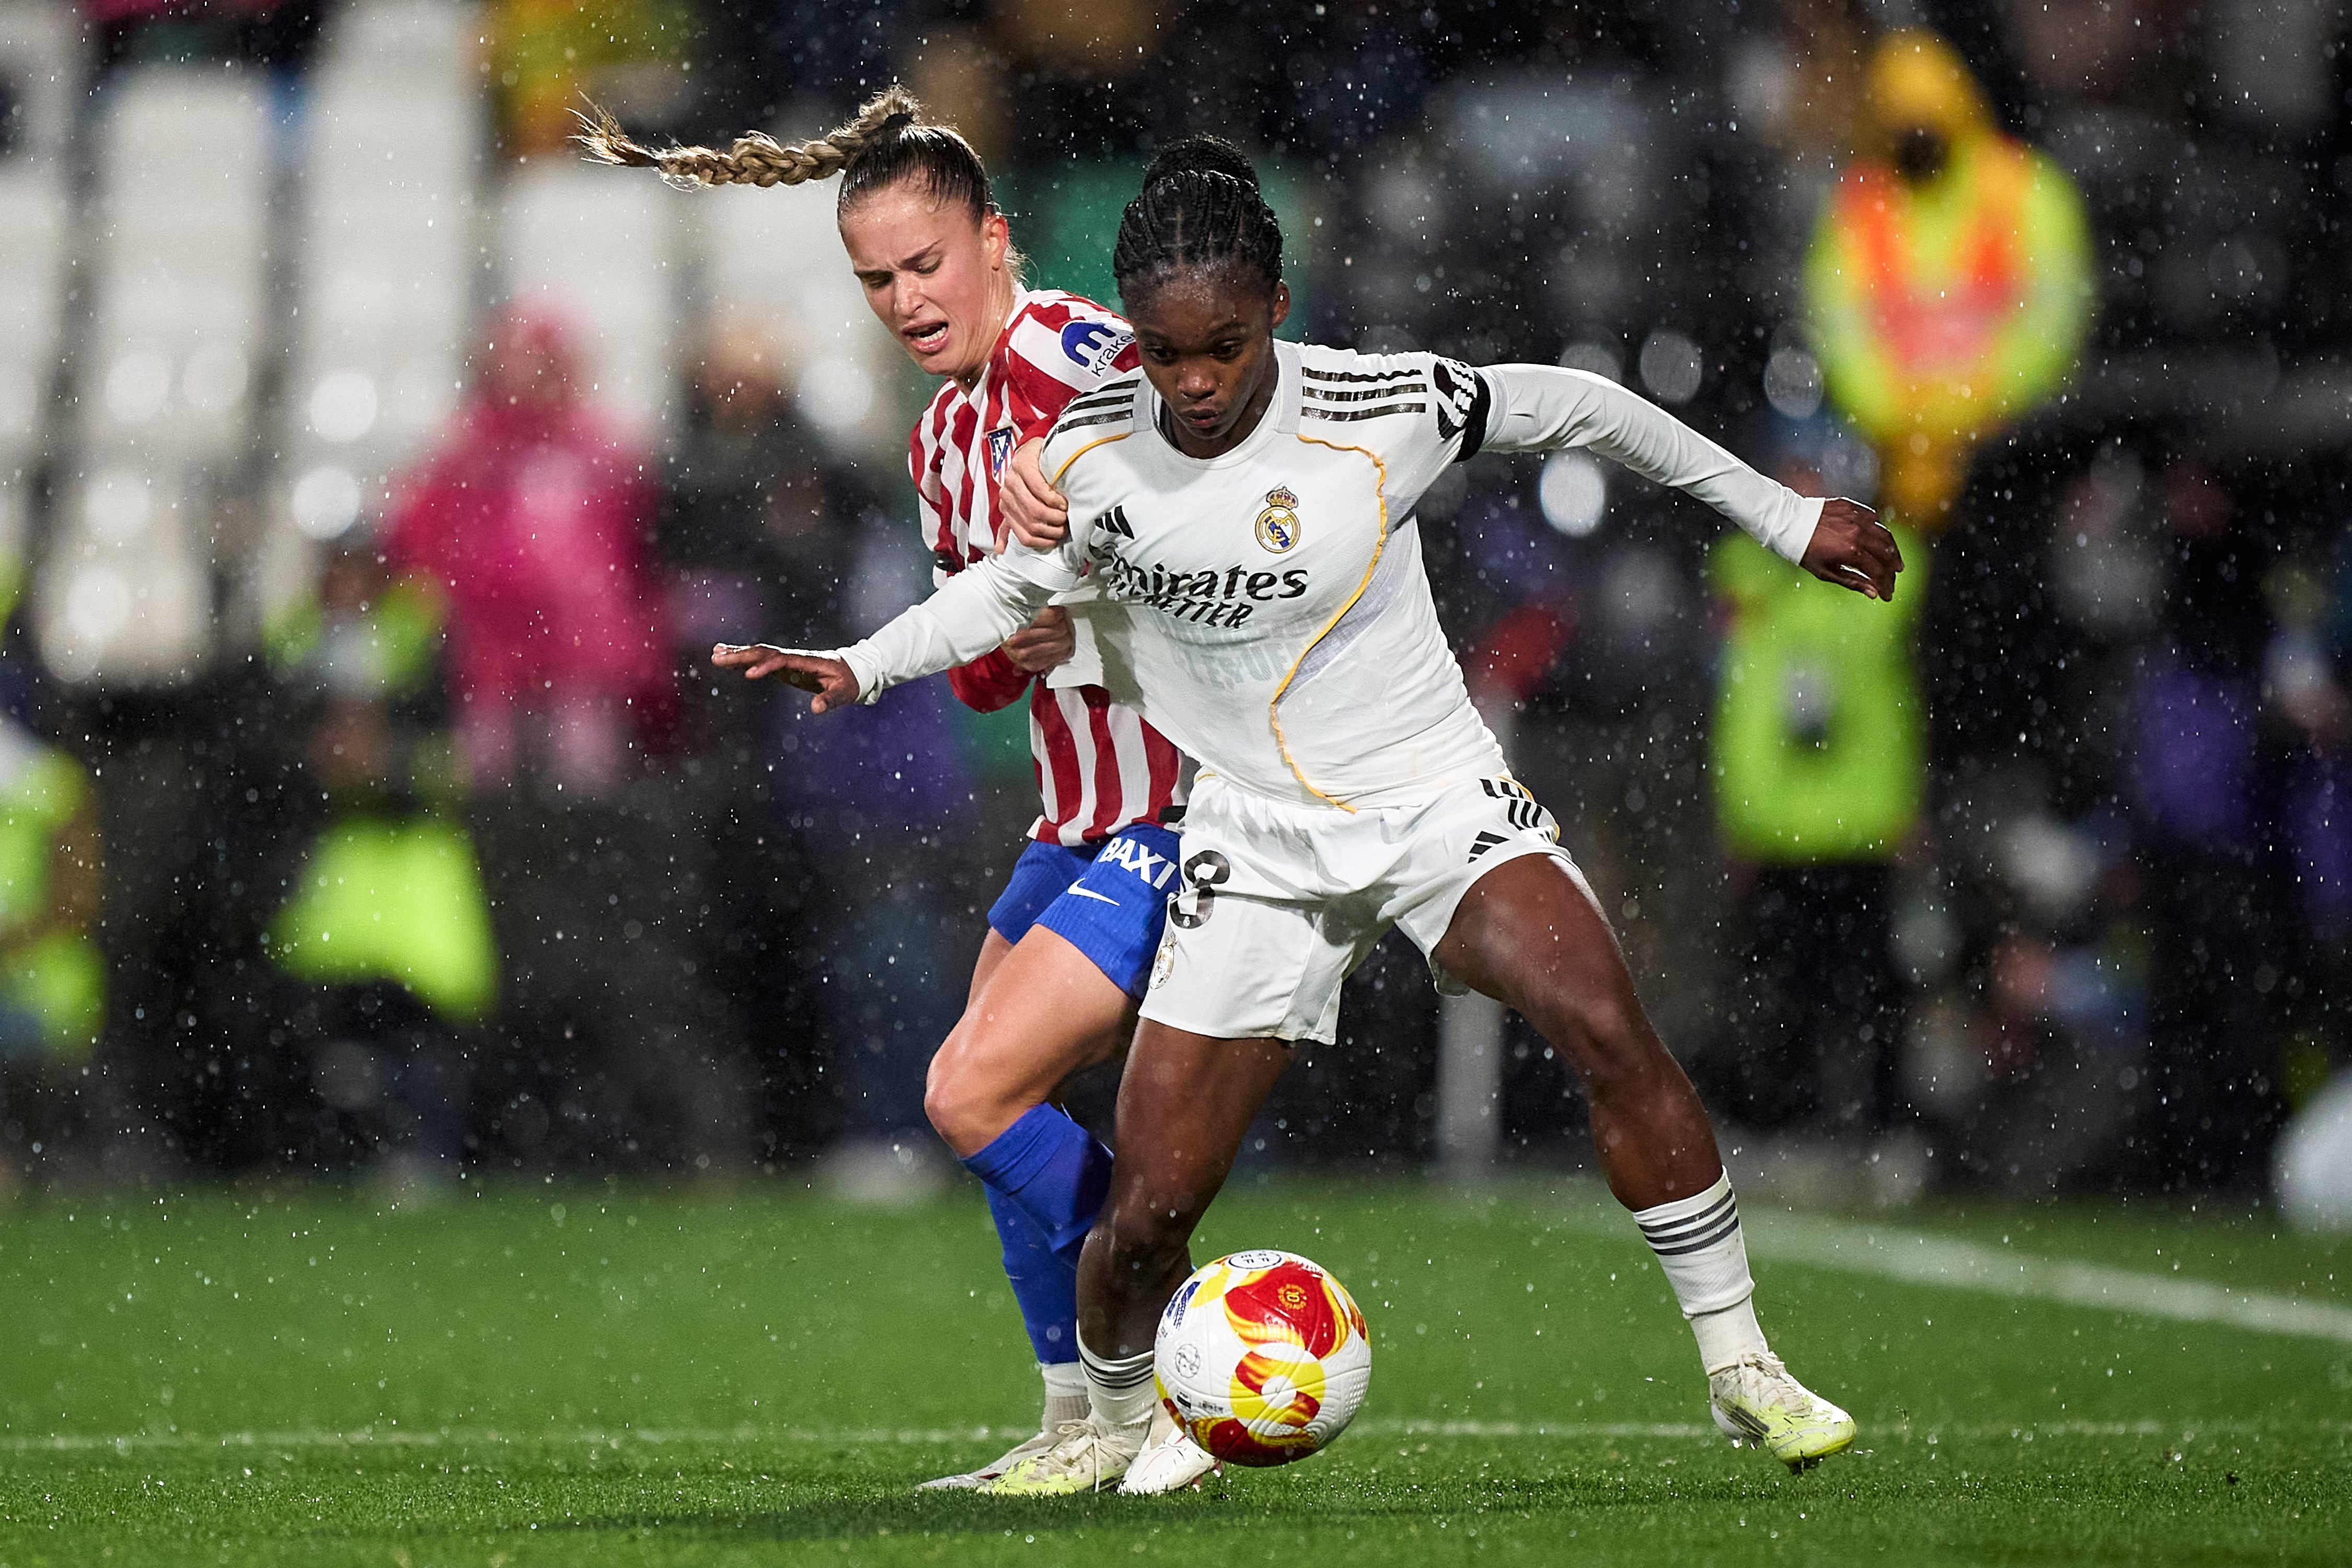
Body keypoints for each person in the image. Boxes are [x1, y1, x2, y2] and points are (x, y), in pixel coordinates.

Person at [722, 138, 1902, 1493]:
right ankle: (1108, 1417)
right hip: (1249, 839)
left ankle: (1742, 1363)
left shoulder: (1374, 398)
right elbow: (1000, 605)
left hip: (1422, 795)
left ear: (1273, 313)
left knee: (1601, 1023)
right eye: (1168, 356)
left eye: (1220, 347)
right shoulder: (1082, 447)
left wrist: (1780, 513)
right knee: (1152, 1203)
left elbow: (1580, 406)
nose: (1195, 380)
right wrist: (865, 663)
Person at [578, 91, 1210, 1492]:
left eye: (926, 264)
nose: (905, 300)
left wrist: (1097, 605)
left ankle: (1180, 1377)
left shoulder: (1085, 360)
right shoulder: (937, 441)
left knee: (971, 1092)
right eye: (875, 279)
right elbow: (984, 687)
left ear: (996, 241)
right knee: (985, 1098)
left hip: (1187, 810)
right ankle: (1079, 1422)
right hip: (1072, 817)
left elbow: (1230, 533)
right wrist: (1014, 636)